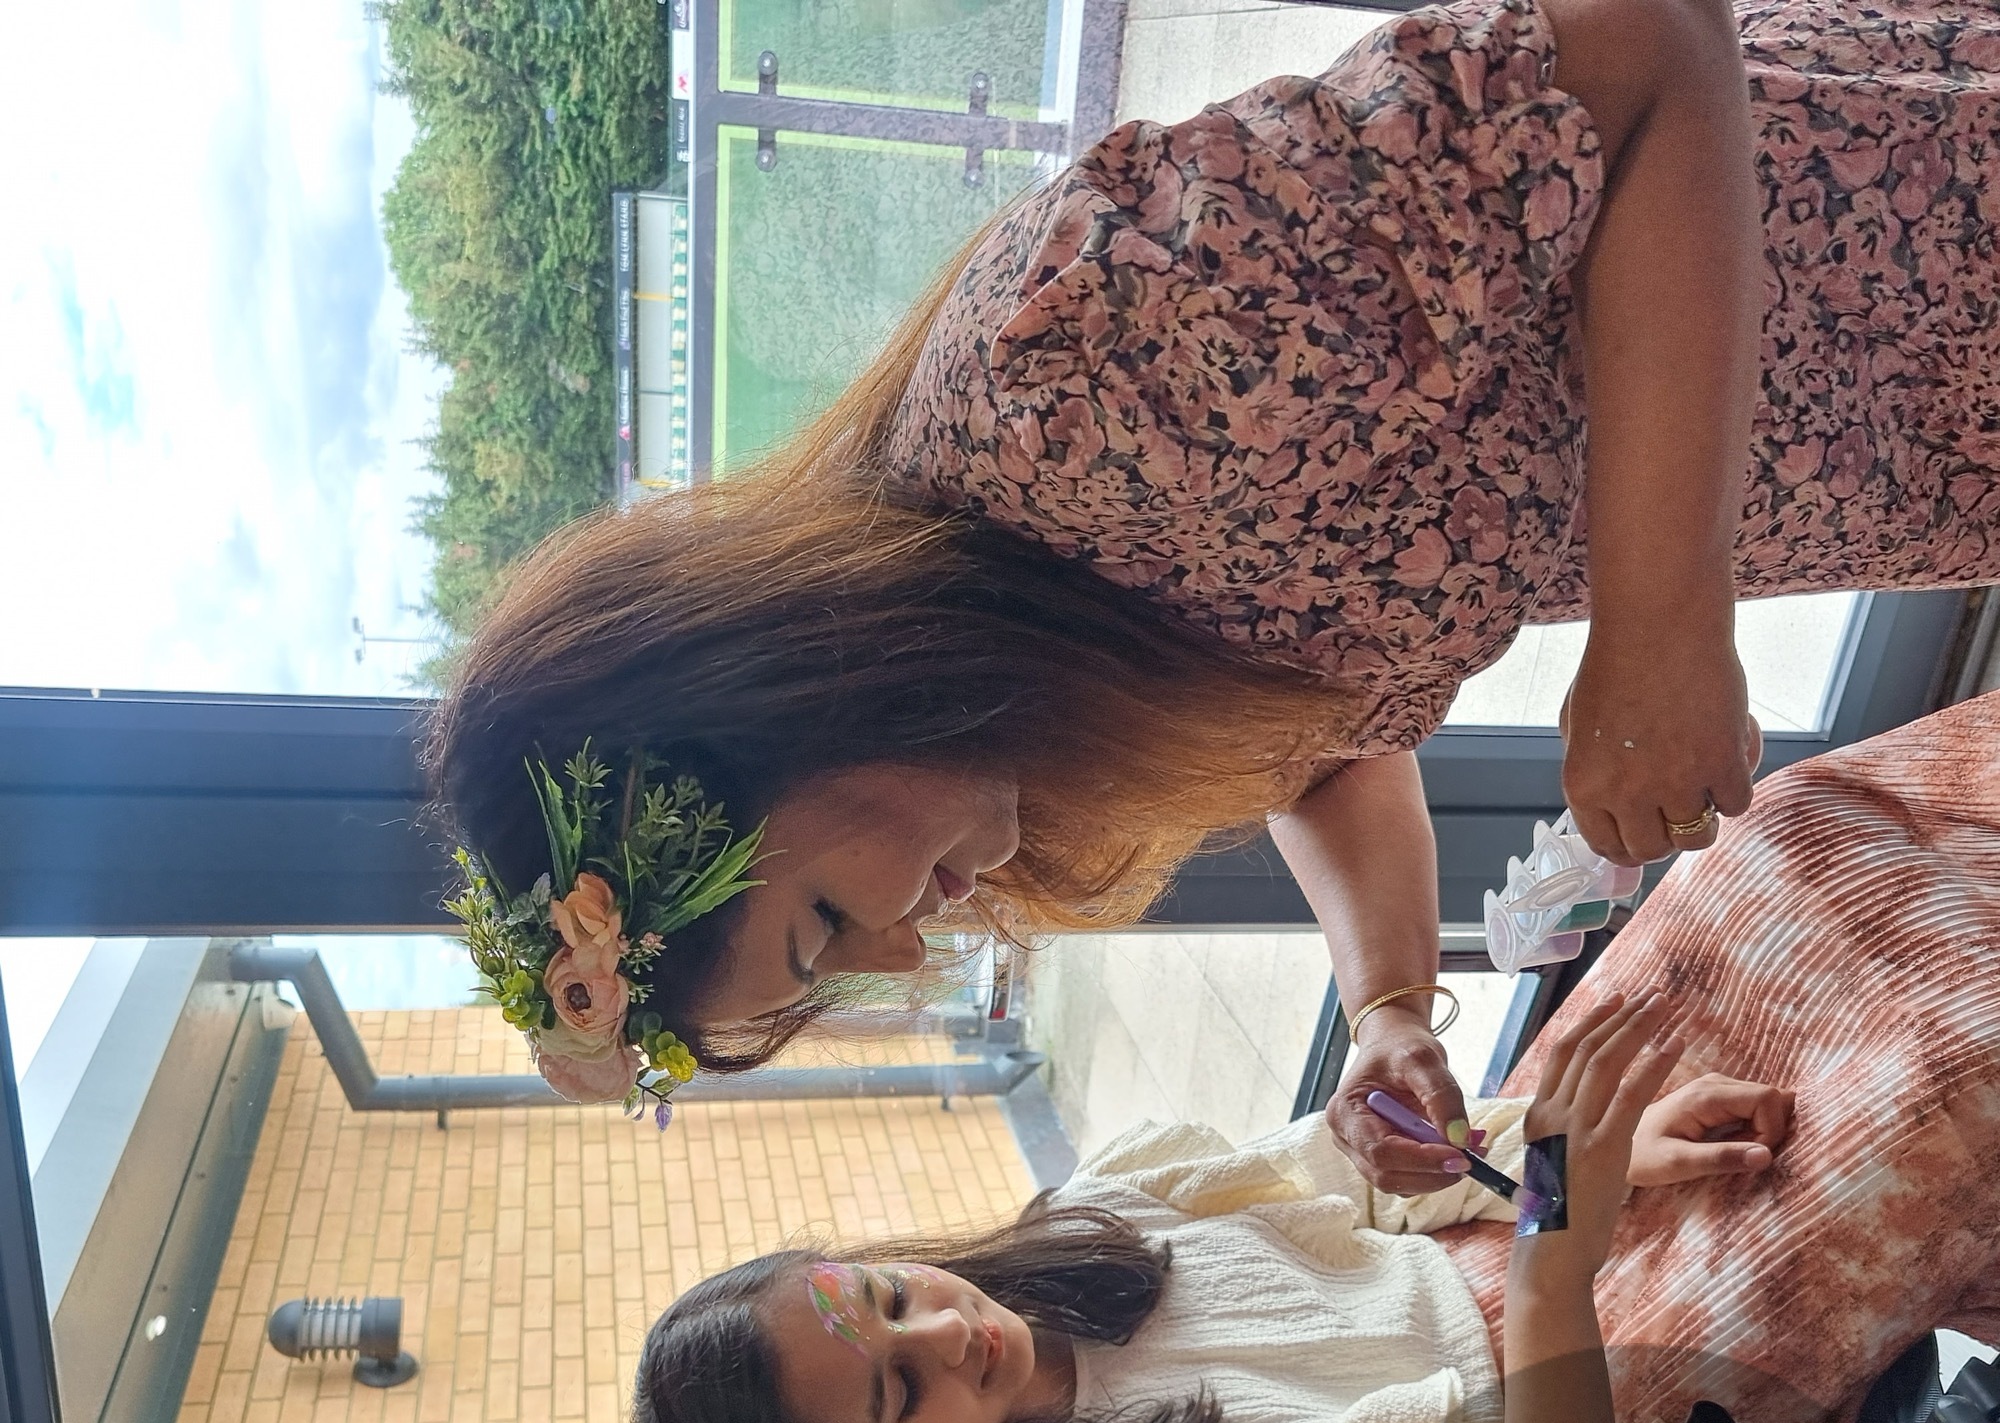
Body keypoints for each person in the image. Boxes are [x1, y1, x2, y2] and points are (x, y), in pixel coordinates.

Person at [430, 0, 2000, 1191]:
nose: (905, 954)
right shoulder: (1042, 703)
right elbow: (1318, 747)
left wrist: (1664, 620)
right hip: (1898, 462)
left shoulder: (1093, 370)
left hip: (1913, 244)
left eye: (828, 921)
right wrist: (1389, 1002)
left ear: (777, 700)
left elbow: (1644, 45)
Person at [629, 694, 2000, 1423]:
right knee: (1945, 1078)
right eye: (899, 1387)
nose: (949, 1331)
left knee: (1791, 837)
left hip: (1545, 1235)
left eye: (890, 1294)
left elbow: (1392, 1183)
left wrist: (1589, 1164)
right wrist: (1551, 1276)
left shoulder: (1104, 1218)